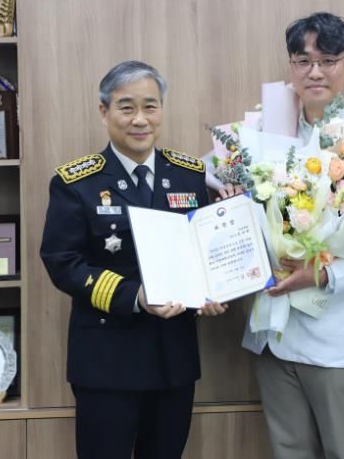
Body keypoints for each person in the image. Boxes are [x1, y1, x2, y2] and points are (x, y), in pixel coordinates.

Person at [240, 12, 344, 459]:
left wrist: (324, 275)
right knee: (289, 450)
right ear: (291, 66)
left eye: (328, 60)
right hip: (275, 332)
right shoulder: (264, 132)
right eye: (303, 61)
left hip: (338, 336)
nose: (314, 71)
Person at [40, 60, 226, 459]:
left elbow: (201, 251)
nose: (140, 119)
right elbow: (62, 262)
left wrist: (213, 290)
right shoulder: (77, 183)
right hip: (107, 361)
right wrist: (135, 296)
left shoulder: (189, 175)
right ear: (104, 111)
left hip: (173, 359)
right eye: (127, 107)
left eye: (150, 106)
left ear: (161, 110)